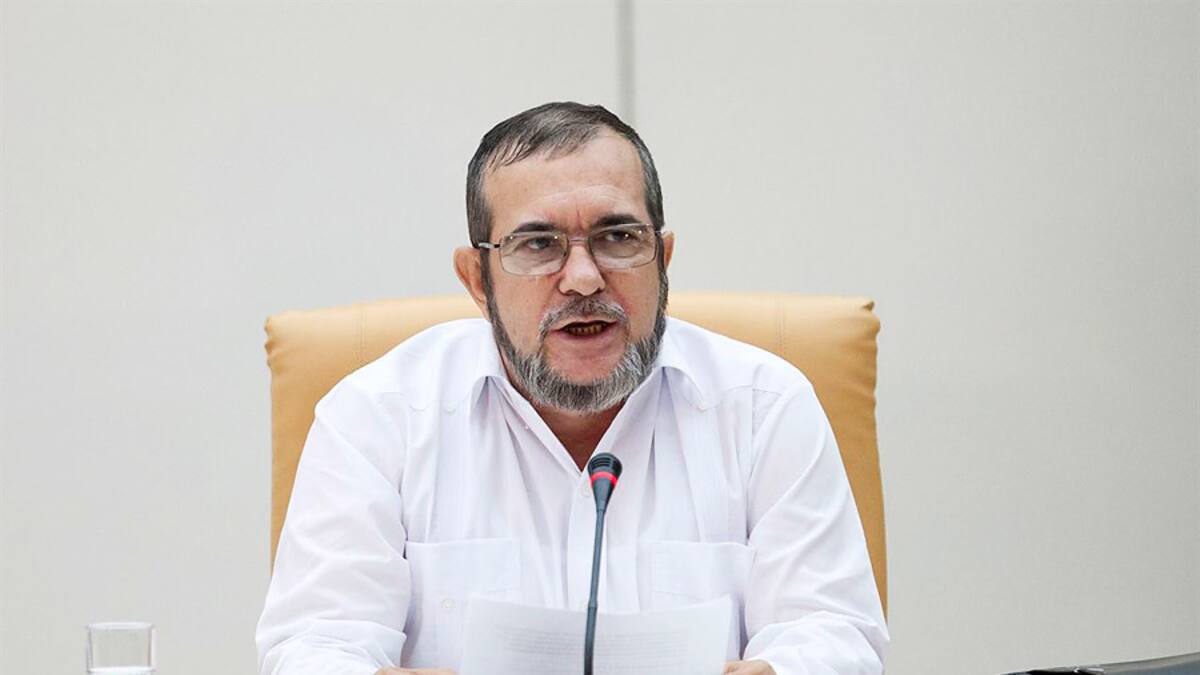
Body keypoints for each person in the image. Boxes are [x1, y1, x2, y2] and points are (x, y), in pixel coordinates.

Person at [256, 102, 888, 675]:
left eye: (618, 238)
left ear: (663, 260)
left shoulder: (764, 407)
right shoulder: (377, 417)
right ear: (477, 281)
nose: (583, 278)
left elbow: (835, 635)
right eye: (538, 244)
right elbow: (313, 646)